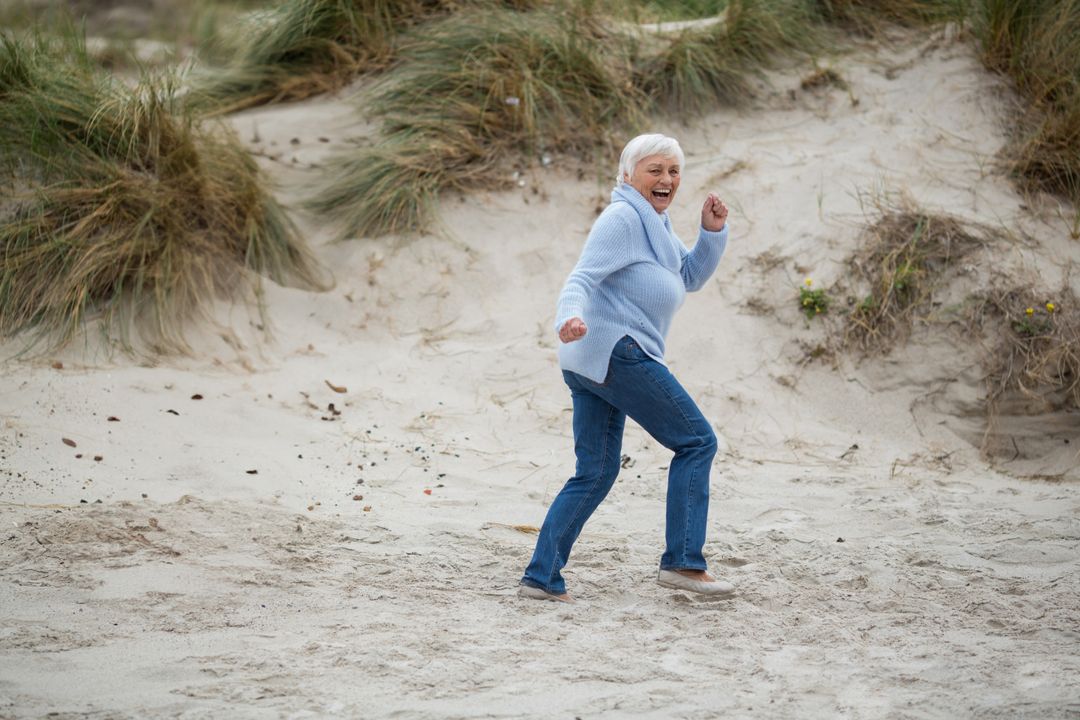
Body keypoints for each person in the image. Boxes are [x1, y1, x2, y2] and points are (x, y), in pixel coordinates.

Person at [519, 133, 733, 603]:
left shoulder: (654, 222)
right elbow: (582, 277)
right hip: (616, 351)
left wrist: (712, 233)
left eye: (674, 171)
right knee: (697, 441)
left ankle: (541, 578)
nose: (666, 179)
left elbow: (688, 277)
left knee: (595, 471)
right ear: (628, 174)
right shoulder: (622, 218)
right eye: (655, 169)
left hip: (593, 359)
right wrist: (567, 318)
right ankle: (683, 562)